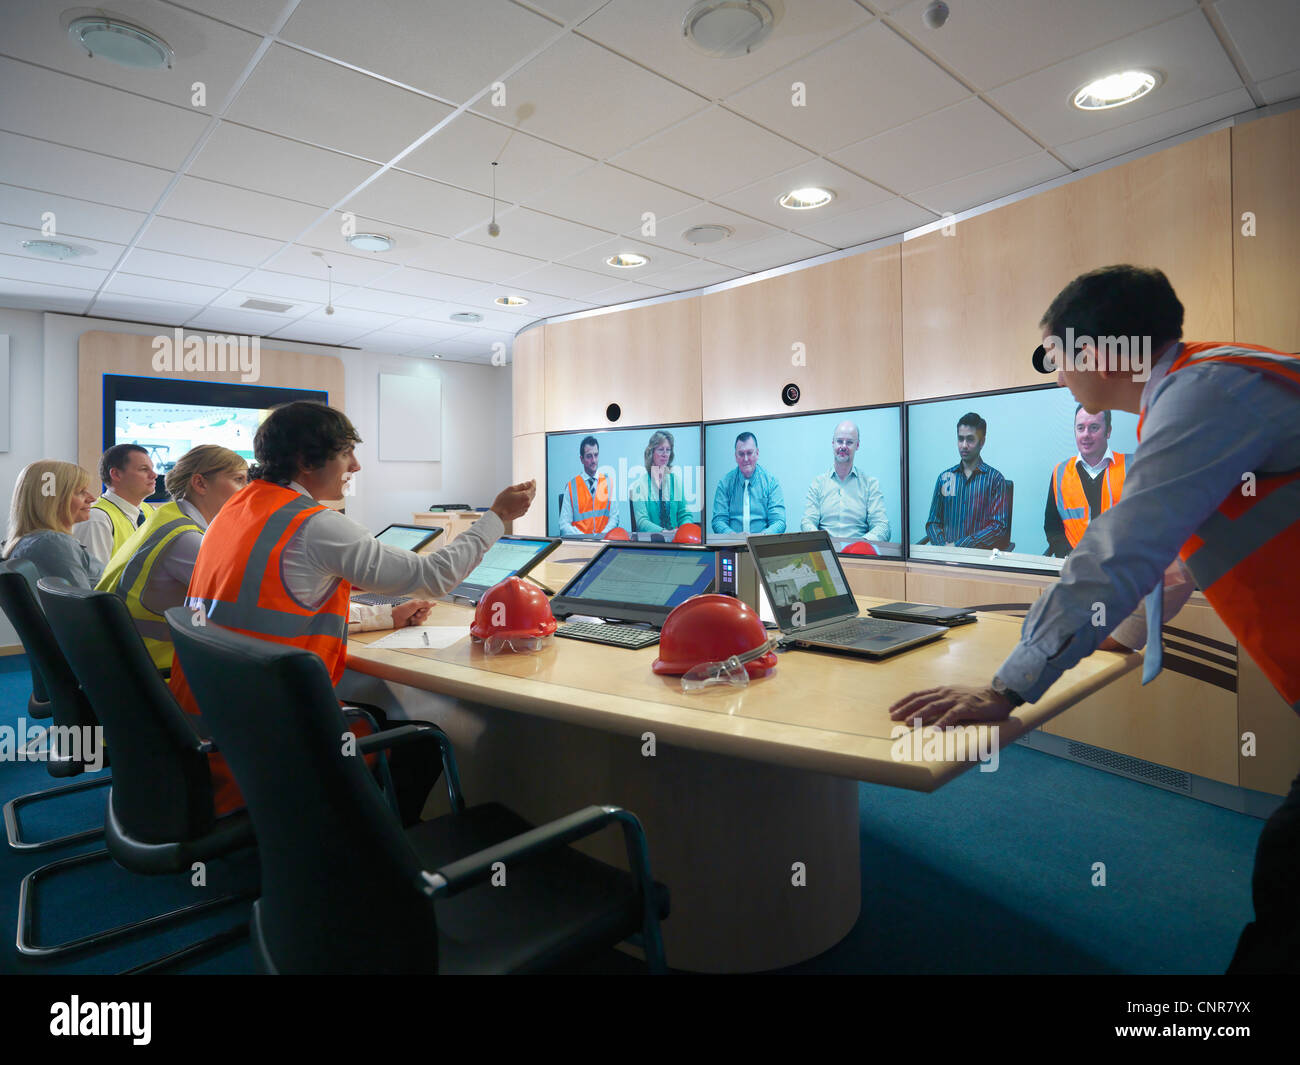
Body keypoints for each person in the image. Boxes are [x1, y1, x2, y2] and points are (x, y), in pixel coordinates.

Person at [887, 264, 1300, 973]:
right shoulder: (1207, 389)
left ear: (1100, 352)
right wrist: (1106, 640)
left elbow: (1116, 551)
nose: (1056, 376)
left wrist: (1009, 686)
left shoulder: (1201, 395)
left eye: (1055, 356)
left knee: (1290, 881)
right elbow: (1170, 567)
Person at [168, 401, 535, 823]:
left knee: (377, 717)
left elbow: (278, 597)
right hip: (265, 742)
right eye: (346, 453)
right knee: (422, 742)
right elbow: (435, 576)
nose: (356, 466)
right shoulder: (313, 525)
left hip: (211, 726)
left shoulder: (235, 510)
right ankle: (376, 866)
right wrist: (499, 516)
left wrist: (381, 615)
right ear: (307, 461)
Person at [1043, 406, 1128, 556]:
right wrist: (1068, 555)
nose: (1086, 435)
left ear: (1108, 431)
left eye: (1094, 428)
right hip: (1075, 567)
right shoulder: (1060, 473)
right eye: (1080, 428)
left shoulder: (1132, 468)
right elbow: (1052, 528)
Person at [3, 460, 102, 588]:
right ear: (53, 500)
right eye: (80, 492)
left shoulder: (35, 541)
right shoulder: (53, 543)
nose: (92, 499)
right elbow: (84, 605)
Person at [923, 412, 1008, 548]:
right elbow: (933, 522)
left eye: (970, 439)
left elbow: (998, 528)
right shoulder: (945, 478)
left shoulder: (995, 479)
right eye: (960, 439)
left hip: (979, 560)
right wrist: (942, 547)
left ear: (982, 442)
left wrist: (958, 546)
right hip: (944, 558)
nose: (964, 445)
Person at [801, 420, 890, 541]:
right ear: (833, 443)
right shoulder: (818, 483)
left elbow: (883, 527)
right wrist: (821, 542)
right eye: (839, 441)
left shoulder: (870, 485)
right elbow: (807, 522)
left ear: (857, 445)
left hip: (859, 554)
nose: (843, 446)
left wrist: (860, 544)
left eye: (849, 442)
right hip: (825, 552)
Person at [73, 444, 157, 567]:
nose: (154, 475)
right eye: (144, 469)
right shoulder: (96, 518)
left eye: (152, 469)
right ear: (116, 474)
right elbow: (95, 581)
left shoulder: (150, 511)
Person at [711, 432, 786, 535]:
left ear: (757, 453)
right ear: (736, 456)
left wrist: (761, 537)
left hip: (762, 546)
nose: (745, 459)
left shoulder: (771, 483)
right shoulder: (725, 483)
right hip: (731, 546)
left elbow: (779, 522)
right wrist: (733, 536)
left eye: (749, 453)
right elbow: (718, 521)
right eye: (741, 454)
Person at [630, 430, 695, 536]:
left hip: (677, 541)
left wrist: (683, 531)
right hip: (652, 544)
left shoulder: (676, 481)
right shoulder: (639, 485)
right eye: (660, 450)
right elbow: (642, 521)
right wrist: (664, 533)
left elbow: (685, 514)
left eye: (668, 450)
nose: (665, 454)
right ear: (651, 453)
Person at [558, 435, 614, 536]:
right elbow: (564, 525)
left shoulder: (608, 482)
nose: (594, 460)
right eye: (589, 456)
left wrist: (601, 537)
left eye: (596, 455)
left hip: (604, 542)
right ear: (581, 459)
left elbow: (614, 518)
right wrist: (584, 538)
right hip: (581, 544)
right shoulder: (571, 487)